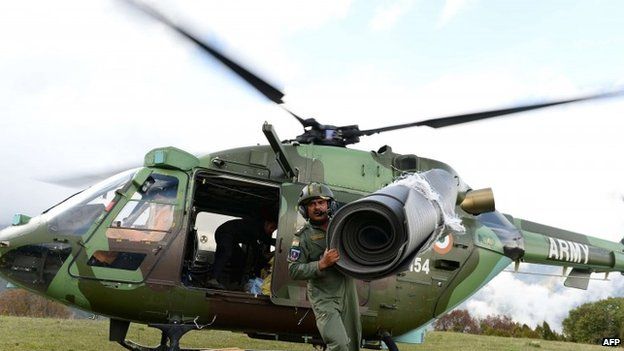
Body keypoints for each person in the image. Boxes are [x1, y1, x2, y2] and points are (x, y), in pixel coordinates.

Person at [288, 182, 361, 351]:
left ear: (329, 205)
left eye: (321, 202)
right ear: (305, 210)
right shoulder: (302, 238)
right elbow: (294, 270)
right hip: (324, 296)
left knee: (353, 345)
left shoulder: (342, 226)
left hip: (348, 292)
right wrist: (322, 264)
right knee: (339, 345)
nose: (317, 207)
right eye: (312, 204)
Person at [208, 214, 277, 290]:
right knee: (225, 253)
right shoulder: (255, 228)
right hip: (224, 233)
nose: (272, 231)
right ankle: (213, 279)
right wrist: (264, 263)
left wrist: (279, 243)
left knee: (240, 256)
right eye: (272, 228)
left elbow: (265, 239)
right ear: (266, 223)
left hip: (231, 238)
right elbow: (256, 248)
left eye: (274, 230)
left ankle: (234, 282)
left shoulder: (260, 229)